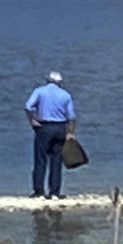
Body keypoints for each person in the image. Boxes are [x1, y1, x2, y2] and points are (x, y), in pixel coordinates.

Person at [24, 70, 76, 200]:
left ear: (48, 81)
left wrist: (32, 120)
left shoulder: (40, 91)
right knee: (56, 161)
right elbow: (72, 117)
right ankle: (54, 192)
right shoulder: (66, 95)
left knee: (40, 160)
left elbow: (28, 106)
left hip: (44, 127)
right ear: (60, 83)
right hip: (60, 128)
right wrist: (71, 133)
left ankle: (39, 191)